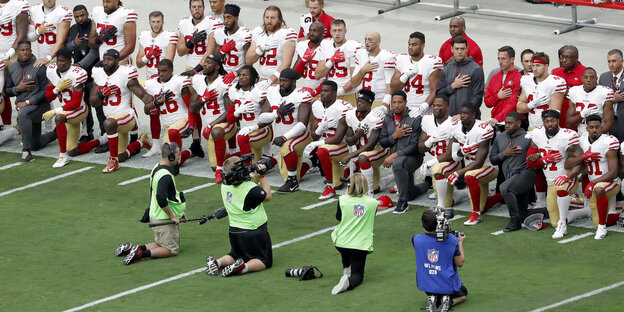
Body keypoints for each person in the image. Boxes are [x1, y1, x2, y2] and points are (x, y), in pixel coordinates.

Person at [115, 142, 188, 265]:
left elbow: (169, 196)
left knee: (160, 244)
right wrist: (172, 216)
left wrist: (179, 213)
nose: (179, 157)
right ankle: (140, 254)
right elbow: (161, 198)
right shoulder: (166, 175)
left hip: (155, 215)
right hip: (163, 218)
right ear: (171, 156)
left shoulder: (157, 168)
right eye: (178, 154)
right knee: (171, 250)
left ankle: (133, 248)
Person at [205, 155, 273, 277]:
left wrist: (254, 177)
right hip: (254, 230)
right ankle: (243, 268)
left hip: (234, 231)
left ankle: (217, 262)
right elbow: (267, 196)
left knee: (236, 255)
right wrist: (262, 175)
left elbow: (246, 191)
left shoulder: (225, 186)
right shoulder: (250, 189)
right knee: (264, 260)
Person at [89, 49, 152, 173]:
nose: (106, 62)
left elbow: (143, 95)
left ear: (118, 61)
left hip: (126, 116)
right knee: (121, 156)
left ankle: (113, 161)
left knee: (108, 123)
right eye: (105, 59)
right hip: (113, 122)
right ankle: (141, 142)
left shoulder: (125, 73)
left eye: (110, 59)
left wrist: (150, 103)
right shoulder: (98, 72)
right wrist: (102, 95)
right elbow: (93, 102)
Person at [517, 52, 566, 210]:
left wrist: (544, 130)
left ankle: (560, 197)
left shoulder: (555, 83)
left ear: (546, 66)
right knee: (534, 163)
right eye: (533, 64)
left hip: (550, 130)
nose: (534, 68)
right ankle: (540, 200)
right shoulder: (526, 80)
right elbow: (519, 108)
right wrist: (533, 104)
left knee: (552, 164)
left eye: (538, 65)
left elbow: (554, 113)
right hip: (532, 128)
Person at [526, 110, 583, 239]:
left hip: (566, 178)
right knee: (553, 222)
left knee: (561, 190)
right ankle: (582, 209)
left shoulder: (567, 136)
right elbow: (529, 163)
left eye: (553, 121)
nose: (550, 124)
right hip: (550, 180)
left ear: (558, 121)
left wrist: (567, 176)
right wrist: (543, 158)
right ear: (543, 122)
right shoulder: (537, 134)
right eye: (547, 121)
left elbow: (581, 161)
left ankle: (563, 224)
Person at [42, 48, 101, 168]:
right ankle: (101, 141)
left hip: (79, 110)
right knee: (73, 151)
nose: (60, 64)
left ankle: (62, 156)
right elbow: (48, 97)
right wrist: (57, 89)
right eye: (58, 61)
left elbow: (75, 103)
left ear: (70, 61)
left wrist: (55, 111)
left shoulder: (77, 74)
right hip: (66, 112)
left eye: (64, 61)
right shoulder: (52, 70)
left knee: (59, 118)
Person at [440, 103, 497, 226]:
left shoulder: (482, 129)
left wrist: (458, 172)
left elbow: (479, 162)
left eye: (465, 113)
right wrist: (462, 151)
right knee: (483, 206)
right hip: (472, 169)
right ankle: (500, 197)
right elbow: (454, 156)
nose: (462, 116)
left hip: (488, 167)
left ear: (473, 115)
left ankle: (476, 215)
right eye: (461, 113)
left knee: (470, 176)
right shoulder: (456, 129)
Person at [143, 59, 203, 167]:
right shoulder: (151, 84)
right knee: (168, 158)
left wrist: (191, 126)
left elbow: (191, 107)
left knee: (173, 153)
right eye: (159, 71)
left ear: (171, 70)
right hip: (168, 126)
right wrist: (156, 102)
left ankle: (192, 149)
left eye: (164, 71)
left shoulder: (179, 81)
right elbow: (146, 110)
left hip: (182, 119)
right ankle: (193, 149)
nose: (161, 74)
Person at [263, 68, 314, 193]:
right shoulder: (272, 92)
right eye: (281, 81)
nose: (282, 84)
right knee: (287, 172)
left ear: (294, 82)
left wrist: (285, 137)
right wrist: (276, 114)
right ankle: (312, 161)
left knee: (287, 147)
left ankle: (292, 182)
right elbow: (262, 117)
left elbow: (302, 124)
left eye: (285, 81)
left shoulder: (302, 95)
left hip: (300, 136)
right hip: (282, 138)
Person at [5, 40, 56, 162]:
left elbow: (46, 91)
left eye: (28, 50)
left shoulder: (39, 66)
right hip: (25, 110)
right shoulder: (12, 68)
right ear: (17, 52)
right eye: (22, 50)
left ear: (31, 51)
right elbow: (7, 91)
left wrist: (28, 102)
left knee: (23, 114)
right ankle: (57, 133)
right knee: (36, 145)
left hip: (41, 107)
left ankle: (26, 152)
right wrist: (17, 89)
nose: (25, 52)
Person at [137, 11, 178, 158]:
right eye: (153, 22)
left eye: (158, 22)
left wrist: (159, 77)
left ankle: (175, 145)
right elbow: (139, 63)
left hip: (164, 82)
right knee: (153, 113)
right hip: (150, 82)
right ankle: (155, 145)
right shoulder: (144, 36)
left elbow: (169, 62)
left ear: (163, 22)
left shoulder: (169, 36)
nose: (156, 24)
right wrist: (148, 56)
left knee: (169, 113)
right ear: (149, 22)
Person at [189, 53, 236, 183]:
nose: (204, 64)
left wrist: (211, 125)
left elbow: (229, 113)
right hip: (210, 127)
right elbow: (193, 108)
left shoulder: (223, 82)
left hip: (225, 124)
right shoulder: (198, 80)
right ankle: (233, 156)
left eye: (209, 62)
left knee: (216, 166)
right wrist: (203, 99)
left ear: (217, 67)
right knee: (213, 164)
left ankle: (220, 170)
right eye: (205, 61)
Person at [65, 5, 106, 150]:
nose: (80, 19)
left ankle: (104, 135)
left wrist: (80, 65)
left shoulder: (93, 28)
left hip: (93, 72)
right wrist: (73, 44)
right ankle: (88, 132)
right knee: (84, 105)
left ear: (87, 14)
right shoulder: (73, 30)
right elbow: (66, 48)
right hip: (79, 76)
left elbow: (95, 51)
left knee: (98, 103)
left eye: (82, 15)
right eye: (77, 16)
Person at [330, 173, 377, 295]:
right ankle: (349, 283)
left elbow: (338, 217)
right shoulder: (373, 203)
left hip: (341, 242)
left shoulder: (342, 200)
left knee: (346, 253)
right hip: (359, 245)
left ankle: (346, 271)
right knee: (358, 275)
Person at [378, 90, 425, 214]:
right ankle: (426, 183)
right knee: (411, 193)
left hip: (413, 158)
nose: (397, 105)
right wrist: (394, 136)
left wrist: (395, 154)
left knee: (398, 163)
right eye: (394, 102)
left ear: (405, 103)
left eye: (400, 102)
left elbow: (414, 146)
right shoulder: (388, 117)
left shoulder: (414, 118)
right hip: (398, 159)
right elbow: (382, 142)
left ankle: (402, 202)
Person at [306, 80, 353, 199]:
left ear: (334, 93)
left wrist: (316, 143)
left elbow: (338, 139)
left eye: (326, 91)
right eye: (321, 91)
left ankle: (330, 186)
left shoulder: (342, 107)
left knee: (321, 150)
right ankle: (343, 174)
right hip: (330, 147)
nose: (322, 93)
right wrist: (320, 128)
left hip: (344, 146)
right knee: (339, 185)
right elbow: (314, 135)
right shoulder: (317, 106)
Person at [412, 209, 467, 311]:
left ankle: (433, 298)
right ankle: (448, 301)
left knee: (435, 286)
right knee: (463, 294)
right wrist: (460, 242)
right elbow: (460, 263)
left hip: (426, 285)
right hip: (446, 286)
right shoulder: (451, 240)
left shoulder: (415, 239)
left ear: (422, 225)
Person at [489, 111, 534, 232]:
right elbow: (492, 159)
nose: (507, 125)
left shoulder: (528, 137)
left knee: (504, 188)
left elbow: (540, 151)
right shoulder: (500, 137)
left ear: (519, 123)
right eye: (506, 123)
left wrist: (537, 155)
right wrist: (504, 154)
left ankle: (514, 221)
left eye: (510, 123)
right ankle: (545, 212)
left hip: (525, 174)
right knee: (523, 214)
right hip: (510, 177)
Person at [340, 89, 388, 196]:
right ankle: (390, 179)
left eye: (363, 102)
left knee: (362, 158)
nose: (359, 104)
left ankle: (369, 194)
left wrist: (349, 156)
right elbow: (349, 141)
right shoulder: (350, 115)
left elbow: (370, 146)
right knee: (376, 187)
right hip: (362, 152)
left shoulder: (376, 117)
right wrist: (358, 135)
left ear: (370, 104)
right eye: (358, 101)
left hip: (379, 150)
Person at [580, 115, 620, 239]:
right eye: (591, 127)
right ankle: (620, 216)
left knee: (598, 189)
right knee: (597, 220)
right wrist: (583, 157)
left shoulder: (608, 141)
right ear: (586, 128)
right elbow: (573, 162)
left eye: (597, 127)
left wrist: (592, 183)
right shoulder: (581, 140)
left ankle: (602, 228)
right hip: (595, 182)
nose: (594, 130)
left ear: (602, 127)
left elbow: (613, 172)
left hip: (611, 182)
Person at [418, 95, 462, 209]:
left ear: (447, 107)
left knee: (437, 170)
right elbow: (421, 147)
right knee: (448, 199)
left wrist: (430, 163)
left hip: (452, 162)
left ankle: (440, 206)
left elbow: (449, 154)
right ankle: (461, 193)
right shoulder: (427, 120)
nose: (435, 108)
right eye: (434, 105)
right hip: (436, 162)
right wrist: (430, 140)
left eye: (439, 106)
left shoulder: (454, 123)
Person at [390, 31, 443, 118]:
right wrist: (406, 75)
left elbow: (435, 91)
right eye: (409, 44)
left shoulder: (432, 62)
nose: (410, 47)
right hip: (404, 108)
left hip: (424, 110)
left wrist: (422, 108)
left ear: (422, 46)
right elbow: (394, 87)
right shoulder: (402, 59)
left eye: (414, 45)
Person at [226, 65, 273, 161]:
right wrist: (238, 111)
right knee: (255, 162)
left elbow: (269, 119)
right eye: (240, 75)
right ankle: (267, 161)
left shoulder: (258, 91)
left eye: (245, 75)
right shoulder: (234, 91)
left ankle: (247, 168)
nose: (241, 77)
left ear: (253, 78)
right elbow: (230, 119)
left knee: (241, 138)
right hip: (246, 131)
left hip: (262, 130)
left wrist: (252, 127)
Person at [340, 31, 395, 112]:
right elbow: (354, 83)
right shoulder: (361, 54)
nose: (367, 42)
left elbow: (390, 87)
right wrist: (363, 70)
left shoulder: (386, 57)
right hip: (363, 101)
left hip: (379, 101)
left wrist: (384, 105)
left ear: (378, 42)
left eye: (370, 40)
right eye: (365, 40)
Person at [314, 19, 363, 105]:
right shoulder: (326, 45)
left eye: (340, 30)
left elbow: (355, 80)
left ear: (345, 31)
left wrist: (338, 92)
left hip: (348, 94)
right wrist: (332, 60)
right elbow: (318, 75)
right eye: (334, 30)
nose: (337, 33)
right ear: (330, 32)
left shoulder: (353, 47)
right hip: (330, 93)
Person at [436, 36, 484, 119]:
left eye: (462, 49)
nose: (459, 52)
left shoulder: (476, 70)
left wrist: (463, 115)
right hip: (450, 119)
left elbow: (478, 98)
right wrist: (453, 86)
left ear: (467, 49)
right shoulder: (447, 69)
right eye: (457, 49)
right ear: (452, 49)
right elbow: (439, 94)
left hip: (469, 120)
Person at [245, 6, 296, 83]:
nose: (269, 21)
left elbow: (286, 64)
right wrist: (261, 49)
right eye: (267, 17)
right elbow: (248, 61)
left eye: (273, 18)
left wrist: (270, 80)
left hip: (280, 80)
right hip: (262, 79)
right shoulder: (258, 32)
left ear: (280, 20)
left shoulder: (286, 33)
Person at [0, 0, 29, 127]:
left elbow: (22, 34)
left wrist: (10, 52)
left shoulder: (19, 4)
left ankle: (22, 125)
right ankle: (5, 125)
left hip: (14, 53)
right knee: (1, 91)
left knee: (24, 89)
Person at [566, 67, 614, 136]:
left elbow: (608, 123)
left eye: (592, 77)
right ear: (582, 78)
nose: (589, 80)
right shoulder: (574, 91)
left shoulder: (605, 92)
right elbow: (569, 123)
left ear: (596, 79)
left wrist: (593, 136)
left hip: (600, 136)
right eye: (586, 77)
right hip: (581, 135)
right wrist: (582, 114)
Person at [177, 0, 222, 72]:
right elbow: (180, 52)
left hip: (206, 68)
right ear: (190, 8)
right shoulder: (184, 23)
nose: (197, 9)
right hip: (189, 67)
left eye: (199, 7)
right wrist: (191, 41)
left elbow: (211, 51)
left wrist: (195, 70)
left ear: (204, 8)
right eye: (194, 7)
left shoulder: (212, 22)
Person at [205, 4, 250, 74]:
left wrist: (235, 74)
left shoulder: (244, 34)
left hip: (238, 76)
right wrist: (222, 51)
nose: (225, 21)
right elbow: (214, 59)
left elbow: (249, 63)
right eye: (224, 18)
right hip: (222, 75)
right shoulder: (219, 33)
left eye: (229, 18)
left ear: (236, 18)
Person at [88, 0, 137, 64]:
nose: (105, 4)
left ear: (117, 1)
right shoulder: (97, 12)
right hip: (103, 63)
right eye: (104, 1)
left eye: (108, 1)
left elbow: (130, 47)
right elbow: (91, 44)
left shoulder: (125, 14)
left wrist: (110, 61)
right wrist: (99, 39)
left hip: (120, 63)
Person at [484, 46, 522, 125]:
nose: (500, 62)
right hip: (494, 121)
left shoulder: (519, 78)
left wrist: (497, 119)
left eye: (503, 59)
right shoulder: (494, 77)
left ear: (512, 59)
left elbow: (513, 104)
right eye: (499, 58)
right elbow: (487, 102)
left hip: (512, 122)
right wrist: (498, 96)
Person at [28, 0, 72, 67]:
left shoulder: (63, 12)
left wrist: (47, 59)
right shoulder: (34, 10)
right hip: (41, 59)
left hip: (58, 60)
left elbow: (60, 42)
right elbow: (30, 38)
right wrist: (38, 32)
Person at [551, 45, 586, 129]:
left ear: (576, 58)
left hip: (577, 123)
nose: (563, 60)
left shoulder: (586, 73)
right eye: (562, 57)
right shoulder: (555, 72)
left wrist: (573, 92)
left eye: (567, 57)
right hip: (558, 121)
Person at [599, 49, 624, 141]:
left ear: (622, 61)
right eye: (609, 61)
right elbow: (599, 99)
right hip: (608, 121)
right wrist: (613, 99)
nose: (611, 64)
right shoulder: (603, 77)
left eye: (614, 61)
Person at [293, 21, 326, 89]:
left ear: (323, 33)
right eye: (310, 30)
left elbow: (329, 77)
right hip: (305, 91)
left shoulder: (327, 47)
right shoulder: (302, 46)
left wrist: (316, 91)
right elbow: (295, 75)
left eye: (315, 31)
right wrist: (304, 60)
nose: (311, 33)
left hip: (321, 93)